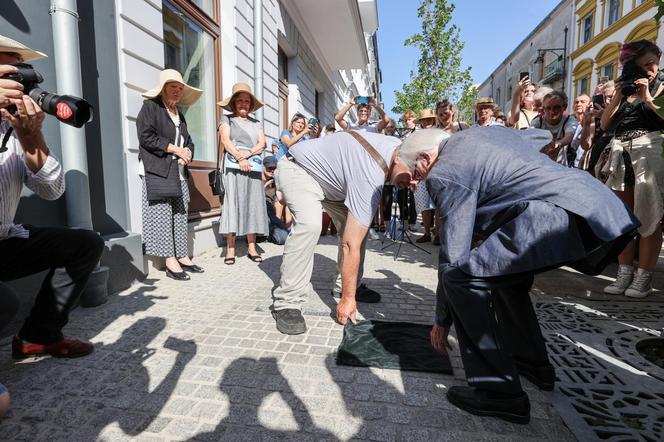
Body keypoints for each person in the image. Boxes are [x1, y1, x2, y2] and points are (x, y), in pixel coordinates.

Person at [428, 126, 639, 424]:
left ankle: (501, 393)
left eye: (414, 173)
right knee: (503, 276)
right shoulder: (484, 134)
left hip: (554, 213)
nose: (417, 182)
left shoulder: (445, 170)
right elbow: (541, 136)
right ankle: (531, 364)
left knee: (459, 278)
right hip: (595, 204)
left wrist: (441, 319)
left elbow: (453, 255)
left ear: (427, 157)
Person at [270, 129, 450, 334]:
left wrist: (349, 289)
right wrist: (348, 300)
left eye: (421, 180)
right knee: (311, 225)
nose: (415, 185)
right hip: (299, 169)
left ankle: (346, 285)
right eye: (416, 175)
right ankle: (287, 302)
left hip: (333, 185)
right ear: (400, 158)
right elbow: (349, 244)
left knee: (358, 227)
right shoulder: (371, 174)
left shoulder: (400, 147)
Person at [0, 36, 104, 361]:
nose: (14, 84)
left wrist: (32, 139)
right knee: (6, 304)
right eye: (5, 73)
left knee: (85, 244)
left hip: (3, 240)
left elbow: (52, 190)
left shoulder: (15, 126)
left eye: (18, 73)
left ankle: (37, 338)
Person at [597, 40, 664, 298]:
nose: (651, 69)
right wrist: (617, 95)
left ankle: (644, 278)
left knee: (648, 214)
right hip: (620, 149)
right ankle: (624, 274)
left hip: (650, 148)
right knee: (624, 218)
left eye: (654, 63)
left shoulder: (661, 83)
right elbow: (605, 125)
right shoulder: (625, 88)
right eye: (645, 64)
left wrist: (647, 97)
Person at [137, 69, 204, 281]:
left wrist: (188, 154)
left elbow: (188, 141)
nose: (177, 91)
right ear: (163, 89)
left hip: (179, 172)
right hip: (158, 169)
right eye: (172, 87)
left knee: (179, 214)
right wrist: (176, 150)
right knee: (163, 215)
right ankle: (169, 260)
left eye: (180, 88)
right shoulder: (151, 107)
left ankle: (182, 255)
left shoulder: (179, 115)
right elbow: (145, 137)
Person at [217, 82, 269, 264]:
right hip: (233, 166)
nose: (243, 104)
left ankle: (252, 247)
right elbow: (225, 140)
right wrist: (240, 157)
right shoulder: (226, 119)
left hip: (253, 167)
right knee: (233, 204)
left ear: (251, 104)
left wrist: (249, 154)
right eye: (239, 100)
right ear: (233, 103)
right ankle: (230, 249)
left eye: (247, 101)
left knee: (252, 205)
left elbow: (263, 144)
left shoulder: (257, 123)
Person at [530, 90, 578, 166]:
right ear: (543, 109)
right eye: (548, 108)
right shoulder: (537, 122)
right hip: (540, 165)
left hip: (562, 167)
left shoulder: (570, 120)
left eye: (556, 108)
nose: (552, 112)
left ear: (564, 107)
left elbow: (569, 136)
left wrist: (558, 144)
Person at [262, 156, 290, 245]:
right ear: (263, 167)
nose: (272, 171)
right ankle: (272, 230)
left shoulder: (276, 180)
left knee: (283, 239)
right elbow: (254, 200)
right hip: (263, 211)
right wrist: (265, 186)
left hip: (274, 214)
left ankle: (282, 228)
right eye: (269, 168)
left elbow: (283, 201)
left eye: (274, 168)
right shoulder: (257, 180)